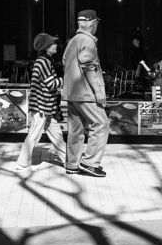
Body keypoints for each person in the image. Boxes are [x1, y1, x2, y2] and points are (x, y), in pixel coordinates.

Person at [62, 9, 109, 178]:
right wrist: (98, 91)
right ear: (90, 23)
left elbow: (65, 62)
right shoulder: (88, 41)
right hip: (85, 93)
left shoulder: (72, 41)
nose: (96, 26)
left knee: (76, 129)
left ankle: (72, 165)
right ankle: (90, 163)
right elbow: (89, 66)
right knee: (102, 123)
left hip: (71, 92)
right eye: (95, 23)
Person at [15, 32, 64, 174]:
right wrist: (64, 79)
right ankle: (22, 163)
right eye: (53, 43)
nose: (56, 45)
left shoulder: (44, 61)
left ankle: (69, 161)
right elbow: (51, 84)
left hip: (45, 106)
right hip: (42, 106)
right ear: (46, 47)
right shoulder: (43, 62)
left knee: (57, 135)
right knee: (34, 135)